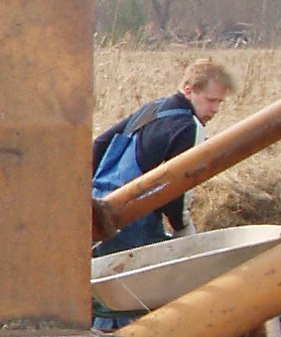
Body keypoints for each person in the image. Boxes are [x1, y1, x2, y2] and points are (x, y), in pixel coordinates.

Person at [91, 57, 238, 257]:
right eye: (211, 100)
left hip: (97, 207)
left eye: (220, 102)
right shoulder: (189, 127)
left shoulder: (154, 108)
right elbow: (179, 186)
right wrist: (182, 227)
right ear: (188, 90)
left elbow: (100, 144)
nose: (215, 109)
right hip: (134, 223)